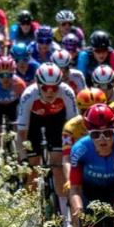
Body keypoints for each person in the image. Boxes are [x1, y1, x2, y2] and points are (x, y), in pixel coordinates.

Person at [16, 64, 79, 192]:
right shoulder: (28, 95)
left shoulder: (67, 92)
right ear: (38, 84)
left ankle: (62, 207)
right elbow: (22, 133)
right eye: (45, 88)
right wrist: (24, 159)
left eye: (54, 88)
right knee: (32, 166)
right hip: (34, 121)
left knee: (58, 165)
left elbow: (74, 126)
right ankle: (30, 206)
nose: (50, 92)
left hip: (56, 121)